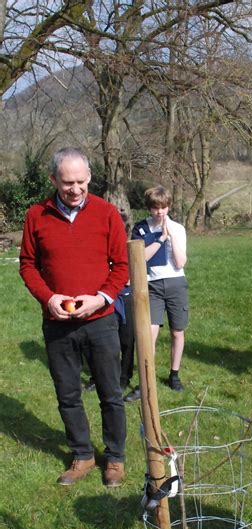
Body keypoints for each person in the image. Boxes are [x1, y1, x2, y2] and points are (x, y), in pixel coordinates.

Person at [19, 147, 128, 487]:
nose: (76, 189)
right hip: (58, 326)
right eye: (68, 182)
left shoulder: (107, 213)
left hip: (101, 321)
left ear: (90, 178)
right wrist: (48, 298)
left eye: (81, 181)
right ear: (53, 180)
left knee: (110, 393)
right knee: (67, 394)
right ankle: (82, 454)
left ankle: (114, 458)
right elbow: (27, 264)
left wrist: (99, 299)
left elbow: (122, 266)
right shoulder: (37, 215)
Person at [125, 185, 188, 400]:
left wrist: (171, 238)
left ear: (168, 207)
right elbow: (139, 257)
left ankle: (174, 375)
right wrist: (159, 239)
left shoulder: (178, 228)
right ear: (149, 208)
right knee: (148, 334)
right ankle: (145, 381)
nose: (159, 212)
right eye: (155, 208)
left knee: (177, 332)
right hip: (151, 285)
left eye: (163, 207)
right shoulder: (141, 229)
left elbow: (180, 263)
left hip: (176, 283)